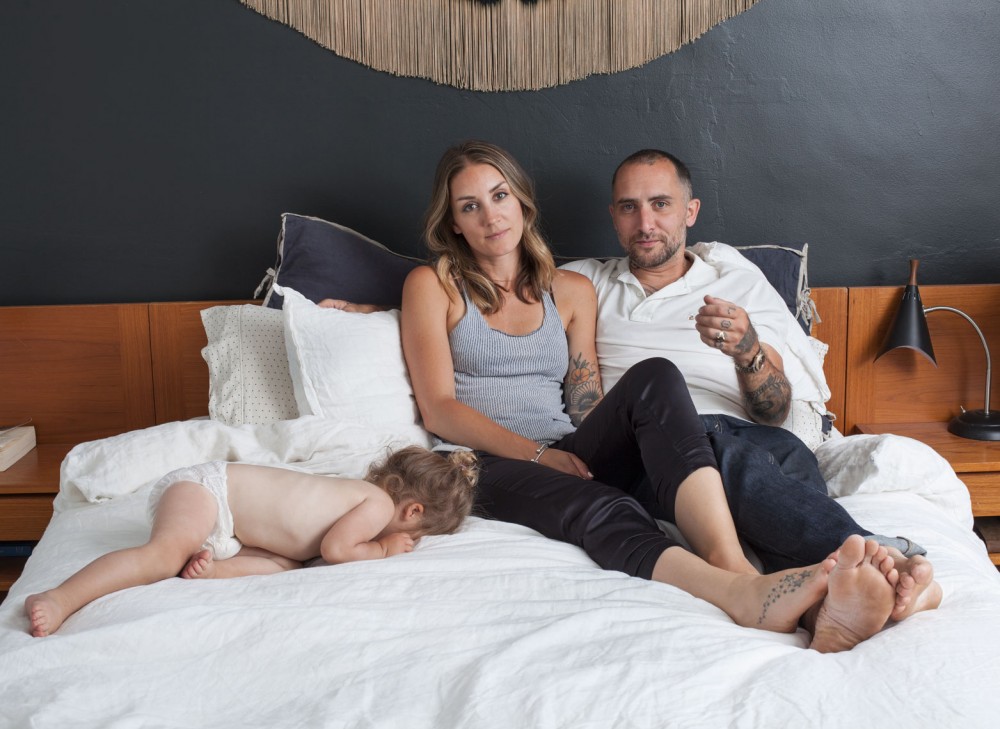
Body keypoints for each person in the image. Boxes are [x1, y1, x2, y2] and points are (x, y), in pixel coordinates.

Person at [399, 139, 906, 653]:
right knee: (604, 502)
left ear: (522, 203)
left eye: (499, 196)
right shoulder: (432, 285)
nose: (490, 216)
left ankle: (799, 586)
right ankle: (754, 585)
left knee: (657, 377)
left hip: (570, 446)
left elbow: (586, 402)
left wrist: (629, 439)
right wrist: (539, 456)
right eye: (470, 206)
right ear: (453, 222)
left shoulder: (571, 289)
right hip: (482, 460)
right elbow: (440, 409)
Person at [561, 148, 942, 622]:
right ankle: (878, 556)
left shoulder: (738, 282)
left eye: (660, 204)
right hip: (651, 448)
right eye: (628, 207)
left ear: (690, 211)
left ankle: (823, 612)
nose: (645, 223)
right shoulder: (585, 284)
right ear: (613, 216)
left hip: (757, 438)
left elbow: (775, 412)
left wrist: (748, 352)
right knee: (727, 454)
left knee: (783, 468)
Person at [24, 446, 478, 638]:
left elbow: (309, 550)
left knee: (286, 566)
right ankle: (62, 597)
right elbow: (339, 551)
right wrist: (383, 549)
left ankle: (211, 569)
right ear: (412, 512)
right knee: (161, 557)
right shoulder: (376, 504)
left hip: (232, 529)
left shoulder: (358, 501)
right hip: (208, 490)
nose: (406, 541)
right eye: (415, 536)